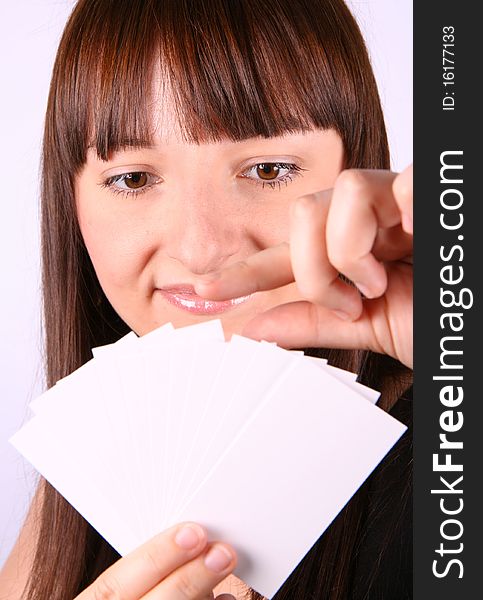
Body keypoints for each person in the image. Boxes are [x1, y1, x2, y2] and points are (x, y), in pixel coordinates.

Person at [0, 0, 413, 598]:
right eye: (134, 179)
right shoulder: (78, 482)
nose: (201, 249)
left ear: (356, 169)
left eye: (268, 170)